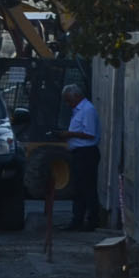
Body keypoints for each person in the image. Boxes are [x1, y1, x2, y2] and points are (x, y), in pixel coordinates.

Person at [63, 84, 100, 231]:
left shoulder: (87, 110)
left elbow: (90, 133)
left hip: (86, 153)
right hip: (79, 152)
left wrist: (69, 134)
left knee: (87, 188)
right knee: (78, 188)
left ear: (77, 96)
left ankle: (91, 221)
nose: (68, 104)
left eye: (69, 100)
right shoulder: (78, 110)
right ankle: (77, 220)